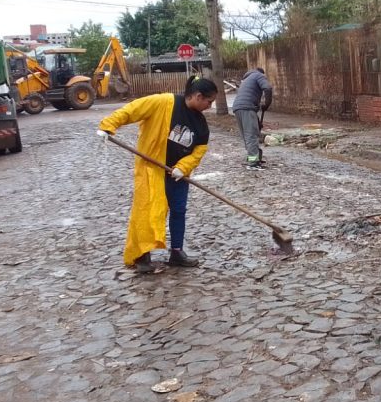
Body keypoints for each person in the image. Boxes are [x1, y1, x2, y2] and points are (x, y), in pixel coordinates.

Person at [97, 76, 217, 273]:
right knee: (148, 212)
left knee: (179, 211)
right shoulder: (163, 102)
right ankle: (142, 256)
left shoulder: (200, 123)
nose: (210, 106)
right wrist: (108, 126)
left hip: (177, 175)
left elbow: (199, 150)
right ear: (197, 96)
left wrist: (183, 167)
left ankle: (177, 252)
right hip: (151, 170)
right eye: (209, 101)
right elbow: (132, 110)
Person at [231, 67, 272, 170]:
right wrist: (267, 104)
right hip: (247, 108)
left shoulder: (246, 80)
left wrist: (258, 122)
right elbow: (268, 88)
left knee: (247, 135)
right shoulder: (259, 75)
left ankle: (253, 157)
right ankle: (253, 163)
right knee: (251, 136)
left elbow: (248, 101)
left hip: (237, 108)